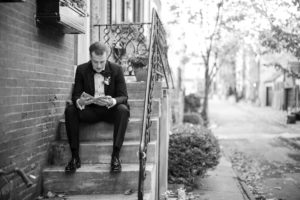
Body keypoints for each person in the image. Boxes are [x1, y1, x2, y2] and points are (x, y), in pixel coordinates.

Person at [64, 42, 130, 174]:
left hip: (109, 110)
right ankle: (75, 157)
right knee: (70, 110)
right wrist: (80, 101)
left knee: (123, 109)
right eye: (95, 62)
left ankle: (115, 157)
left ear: (107, 57)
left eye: (102, 62)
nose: (99, 66)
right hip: (90, 111)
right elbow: (75, 95)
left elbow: (124, 96)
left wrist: (113, 101)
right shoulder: (82, 70)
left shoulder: (116, 69)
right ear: (90, 57)